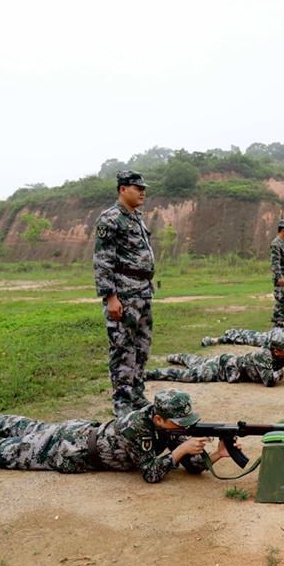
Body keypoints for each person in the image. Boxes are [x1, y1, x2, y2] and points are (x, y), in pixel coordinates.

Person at [0, 390, 236, 484]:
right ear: (159, 419)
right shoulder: (137, 428)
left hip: (79, 430)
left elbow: (185, 462)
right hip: (64, 449)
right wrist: (179, 452)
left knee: (29, 425)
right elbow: (152, 473)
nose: (183, 429)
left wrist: (213, 456)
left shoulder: (160, 424)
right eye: (178, 424)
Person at [94, 170, 156, 417]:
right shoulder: (110, 219)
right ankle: (122, 403)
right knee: (122, 349)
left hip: (142, 292)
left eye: (143, 188)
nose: (142, 192)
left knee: (142, 348)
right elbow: (102, 261)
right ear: (122, 189)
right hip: (123, 295)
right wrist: (110, 297)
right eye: (136, 187)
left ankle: (137, 396)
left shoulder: (137, 217)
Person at [145, 331, 284, 387]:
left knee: (196, 362)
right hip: (223, 367)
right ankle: (151, 373)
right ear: (276, 351)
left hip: (227, 361)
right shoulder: (263, 355)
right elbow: (269, 381)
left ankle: (179, 356)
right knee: (190, 375)